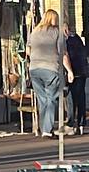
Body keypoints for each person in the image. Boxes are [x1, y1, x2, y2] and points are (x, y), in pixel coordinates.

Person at [25, 8, 73, 137]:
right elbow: (63, 54)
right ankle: (47, 130)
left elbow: (28, 50)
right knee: (51, 98)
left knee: (42, 100)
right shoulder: (57, 33)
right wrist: (69, 71)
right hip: (50, 68)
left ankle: (44, 128)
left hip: (34, 69)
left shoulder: (35, 31)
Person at [64, 25, 89, 135]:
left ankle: (70, 123)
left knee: (70, 98)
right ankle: (81, 123)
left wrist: (68, 71)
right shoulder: (77, 38)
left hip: (72, 72)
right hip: (82, 71)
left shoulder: (66, 41)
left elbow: (65, 56)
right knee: (81, 97)